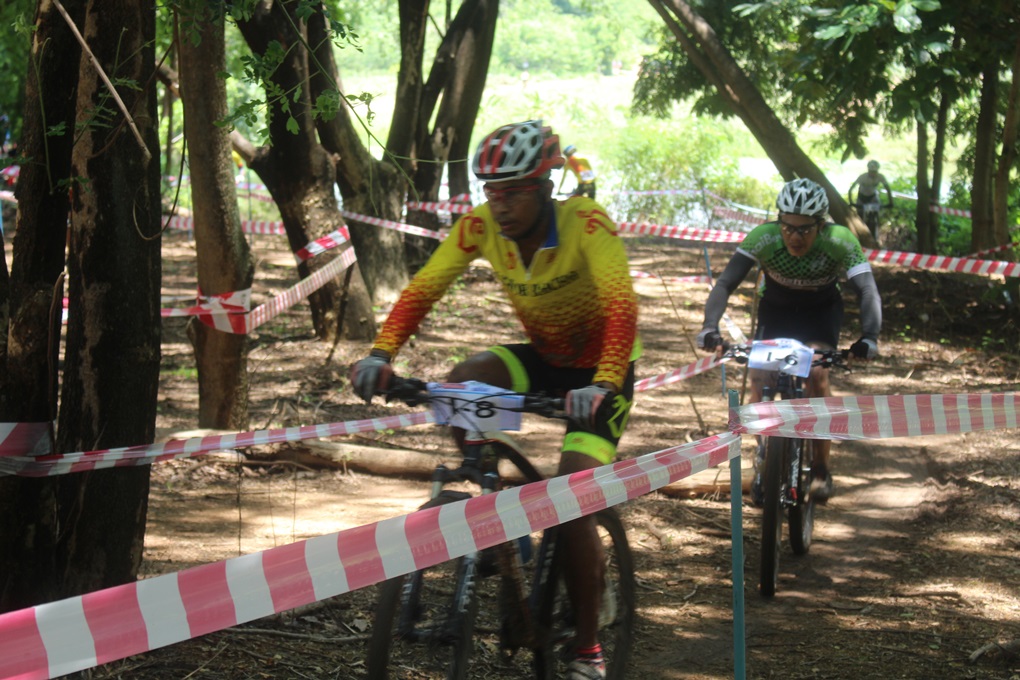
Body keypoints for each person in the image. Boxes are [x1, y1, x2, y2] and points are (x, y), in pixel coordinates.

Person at [350, 119, 640, 680]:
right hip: (543, 358)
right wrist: (380, 354)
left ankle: (587, 649)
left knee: (572, 497)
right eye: (491, 192)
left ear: (545, 187)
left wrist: (604, 384)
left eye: (513, 192)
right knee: (463, 379)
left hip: (603, 369)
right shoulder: (480, 225)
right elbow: (424, 288)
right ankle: (494, 509)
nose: (499, 205)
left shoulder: (587, 222)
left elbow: (621, 308)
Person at [696, 178, 881, 505]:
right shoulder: (764, 237)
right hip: (777, 312)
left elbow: (867, 289)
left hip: (820, 314)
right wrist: (709, 327)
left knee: (817, 376)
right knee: (760, 377)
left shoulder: (839, 240)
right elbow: (725, 284)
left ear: (820, 226)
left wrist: (869, 337)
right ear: (779, 221)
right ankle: (766, 455)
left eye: (805, 229)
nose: (795, 237)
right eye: (788, 227)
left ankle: (821, 469)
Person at [847, 160, 893, 241]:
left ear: (877, 171)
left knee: (874, 217)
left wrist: (890, 202)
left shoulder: (880, 177)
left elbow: (888, 189)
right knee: (860, 217)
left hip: (872, 198)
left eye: (874, 172)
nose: (873, 174)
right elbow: (851, 189)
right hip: (861, 198)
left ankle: (874, 237)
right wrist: (851, 202)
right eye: (871, 172)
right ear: (868, 170)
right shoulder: (862, 177)